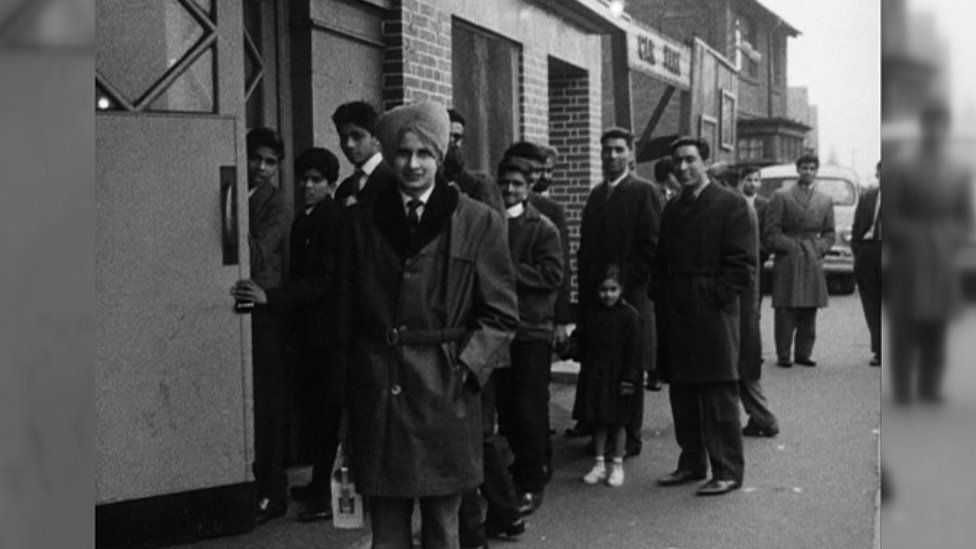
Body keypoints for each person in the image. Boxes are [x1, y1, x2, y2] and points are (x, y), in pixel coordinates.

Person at [338, 102, 519, 549]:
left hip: (446, 393)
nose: (412, 164)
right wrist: (351, 383)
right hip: (379, 391)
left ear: (439, 158)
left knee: (443, 526)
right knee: (388, 530)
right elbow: (344, 313)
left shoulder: (477, 220)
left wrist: (464, 369)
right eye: (402, 153)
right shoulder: (361, 220)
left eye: (424, 154)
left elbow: (501, 316)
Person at [233, 147, 347, 522]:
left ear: (331, 184)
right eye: (304, 179)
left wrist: (273, 297)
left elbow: (324, 281)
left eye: (316, 181)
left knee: (330, 414)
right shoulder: (304, 220)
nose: (307, 186)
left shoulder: (332, 220)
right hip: (308, 330)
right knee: (316, 411)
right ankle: (317, 486)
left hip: (328, 332)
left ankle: (327, 497)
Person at [652, 136, 754, 496]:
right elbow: (661, 260)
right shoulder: (673, 208)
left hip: (712, 315)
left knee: (717, 394)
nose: (683, 168)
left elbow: (742, 266)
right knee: (682, 392)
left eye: (690, 160)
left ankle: (727, 469)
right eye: (677, 161)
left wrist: (712, 296)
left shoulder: (731, 204)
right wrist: (662, 300)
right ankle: (692, 462)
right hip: (677, 311)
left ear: (706, 161)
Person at [577, 127, 665, 460]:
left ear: (631, 154)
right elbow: (586, 249)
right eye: (606, 150)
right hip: (598, 300)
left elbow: (651, 247)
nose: (611, 156)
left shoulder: (644, 192)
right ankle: (601, 429)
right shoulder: (597, 195)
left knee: (630, 366)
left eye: (618, 150)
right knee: (601, 366)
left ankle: (629, 436)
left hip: (630, 297)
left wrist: (621, 285)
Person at [499, 140, 572, 515]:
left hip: (531, 330)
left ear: (529, 187)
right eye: (505, 183)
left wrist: (507, 271)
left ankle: (532, 481)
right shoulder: (491, 221)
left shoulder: (541, 227)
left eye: (517, 184)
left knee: (529, 409)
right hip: (499, 330)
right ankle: (520, 469)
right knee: (507, 408)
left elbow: (553, 275)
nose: (510, 189)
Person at [886, 102, 972, 404]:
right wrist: (914, 237)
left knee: (938, 323)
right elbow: (891, 216)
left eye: (941, 125)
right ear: (923, 127)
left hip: (941, 257)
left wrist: (948, 237)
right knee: (905, 324)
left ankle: (930, 386)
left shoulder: (959, 171)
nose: (936, 131)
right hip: (910, 259)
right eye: (931, 125)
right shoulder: (902, 167)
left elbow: (964, 217)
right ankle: (902, 388)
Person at [241, 127, 290, 522]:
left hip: (263, 310)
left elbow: (258, 255)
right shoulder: (237, 191)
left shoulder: (276, 205)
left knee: (265, 402)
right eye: (256, 158)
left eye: (270, 162)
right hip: (241, 303)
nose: (261, 167)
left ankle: (273, 491)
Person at [570, 264, 641, 488]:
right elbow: (580, 343)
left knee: (618, 422)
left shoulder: (630, 316)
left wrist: (630, 379)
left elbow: (634, 351)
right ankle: (599, 463)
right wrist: (567, 347)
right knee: (598, 421)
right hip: (595, 374)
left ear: (621, 289)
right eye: (603, 290)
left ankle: (617, 464)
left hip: (619, 375)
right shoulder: (590, 315)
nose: (607, 294)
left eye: (613, 289)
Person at [762, 153, 835, 368]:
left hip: (812, 257)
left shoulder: (825, 200)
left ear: (816, 171)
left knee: (809, 308)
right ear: (797, 170)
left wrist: (818, 247)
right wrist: (791, 246)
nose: (808, 172)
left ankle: (804, 353)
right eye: (804, 168)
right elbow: (771, 232)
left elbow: (830, 234)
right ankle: (784, 353)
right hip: (788, 258)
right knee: (785, 307)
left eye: (812, 168)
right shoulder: (781, 196)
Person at [732, 168, 780, 437]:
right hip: (746, 298)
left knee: (742, 365)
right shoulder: (741, 209)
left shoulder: (746, 212)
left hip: (744, 299)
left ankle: (765, 417)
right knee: (743, 365)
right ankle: (760, 417)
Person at [332, 101, 393, 209]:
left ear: (376, 137)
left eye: (357, 136)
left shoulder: (393, 180)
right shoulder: (344, 189)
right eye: (343, 137)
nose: (349, 144)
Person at [444, 109, 505, 214]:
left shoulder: (481, 185)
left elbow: (495, 225)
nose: (451, 142)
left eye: (456, 137)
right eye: (446, 136)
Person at [851, 161, 882, 367]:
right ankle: (879, 349)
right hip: (869, 252)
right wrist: (858, 248)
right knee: (872, 303)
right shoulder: (868, 196)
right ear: (877, 174)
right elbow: (857, 224)